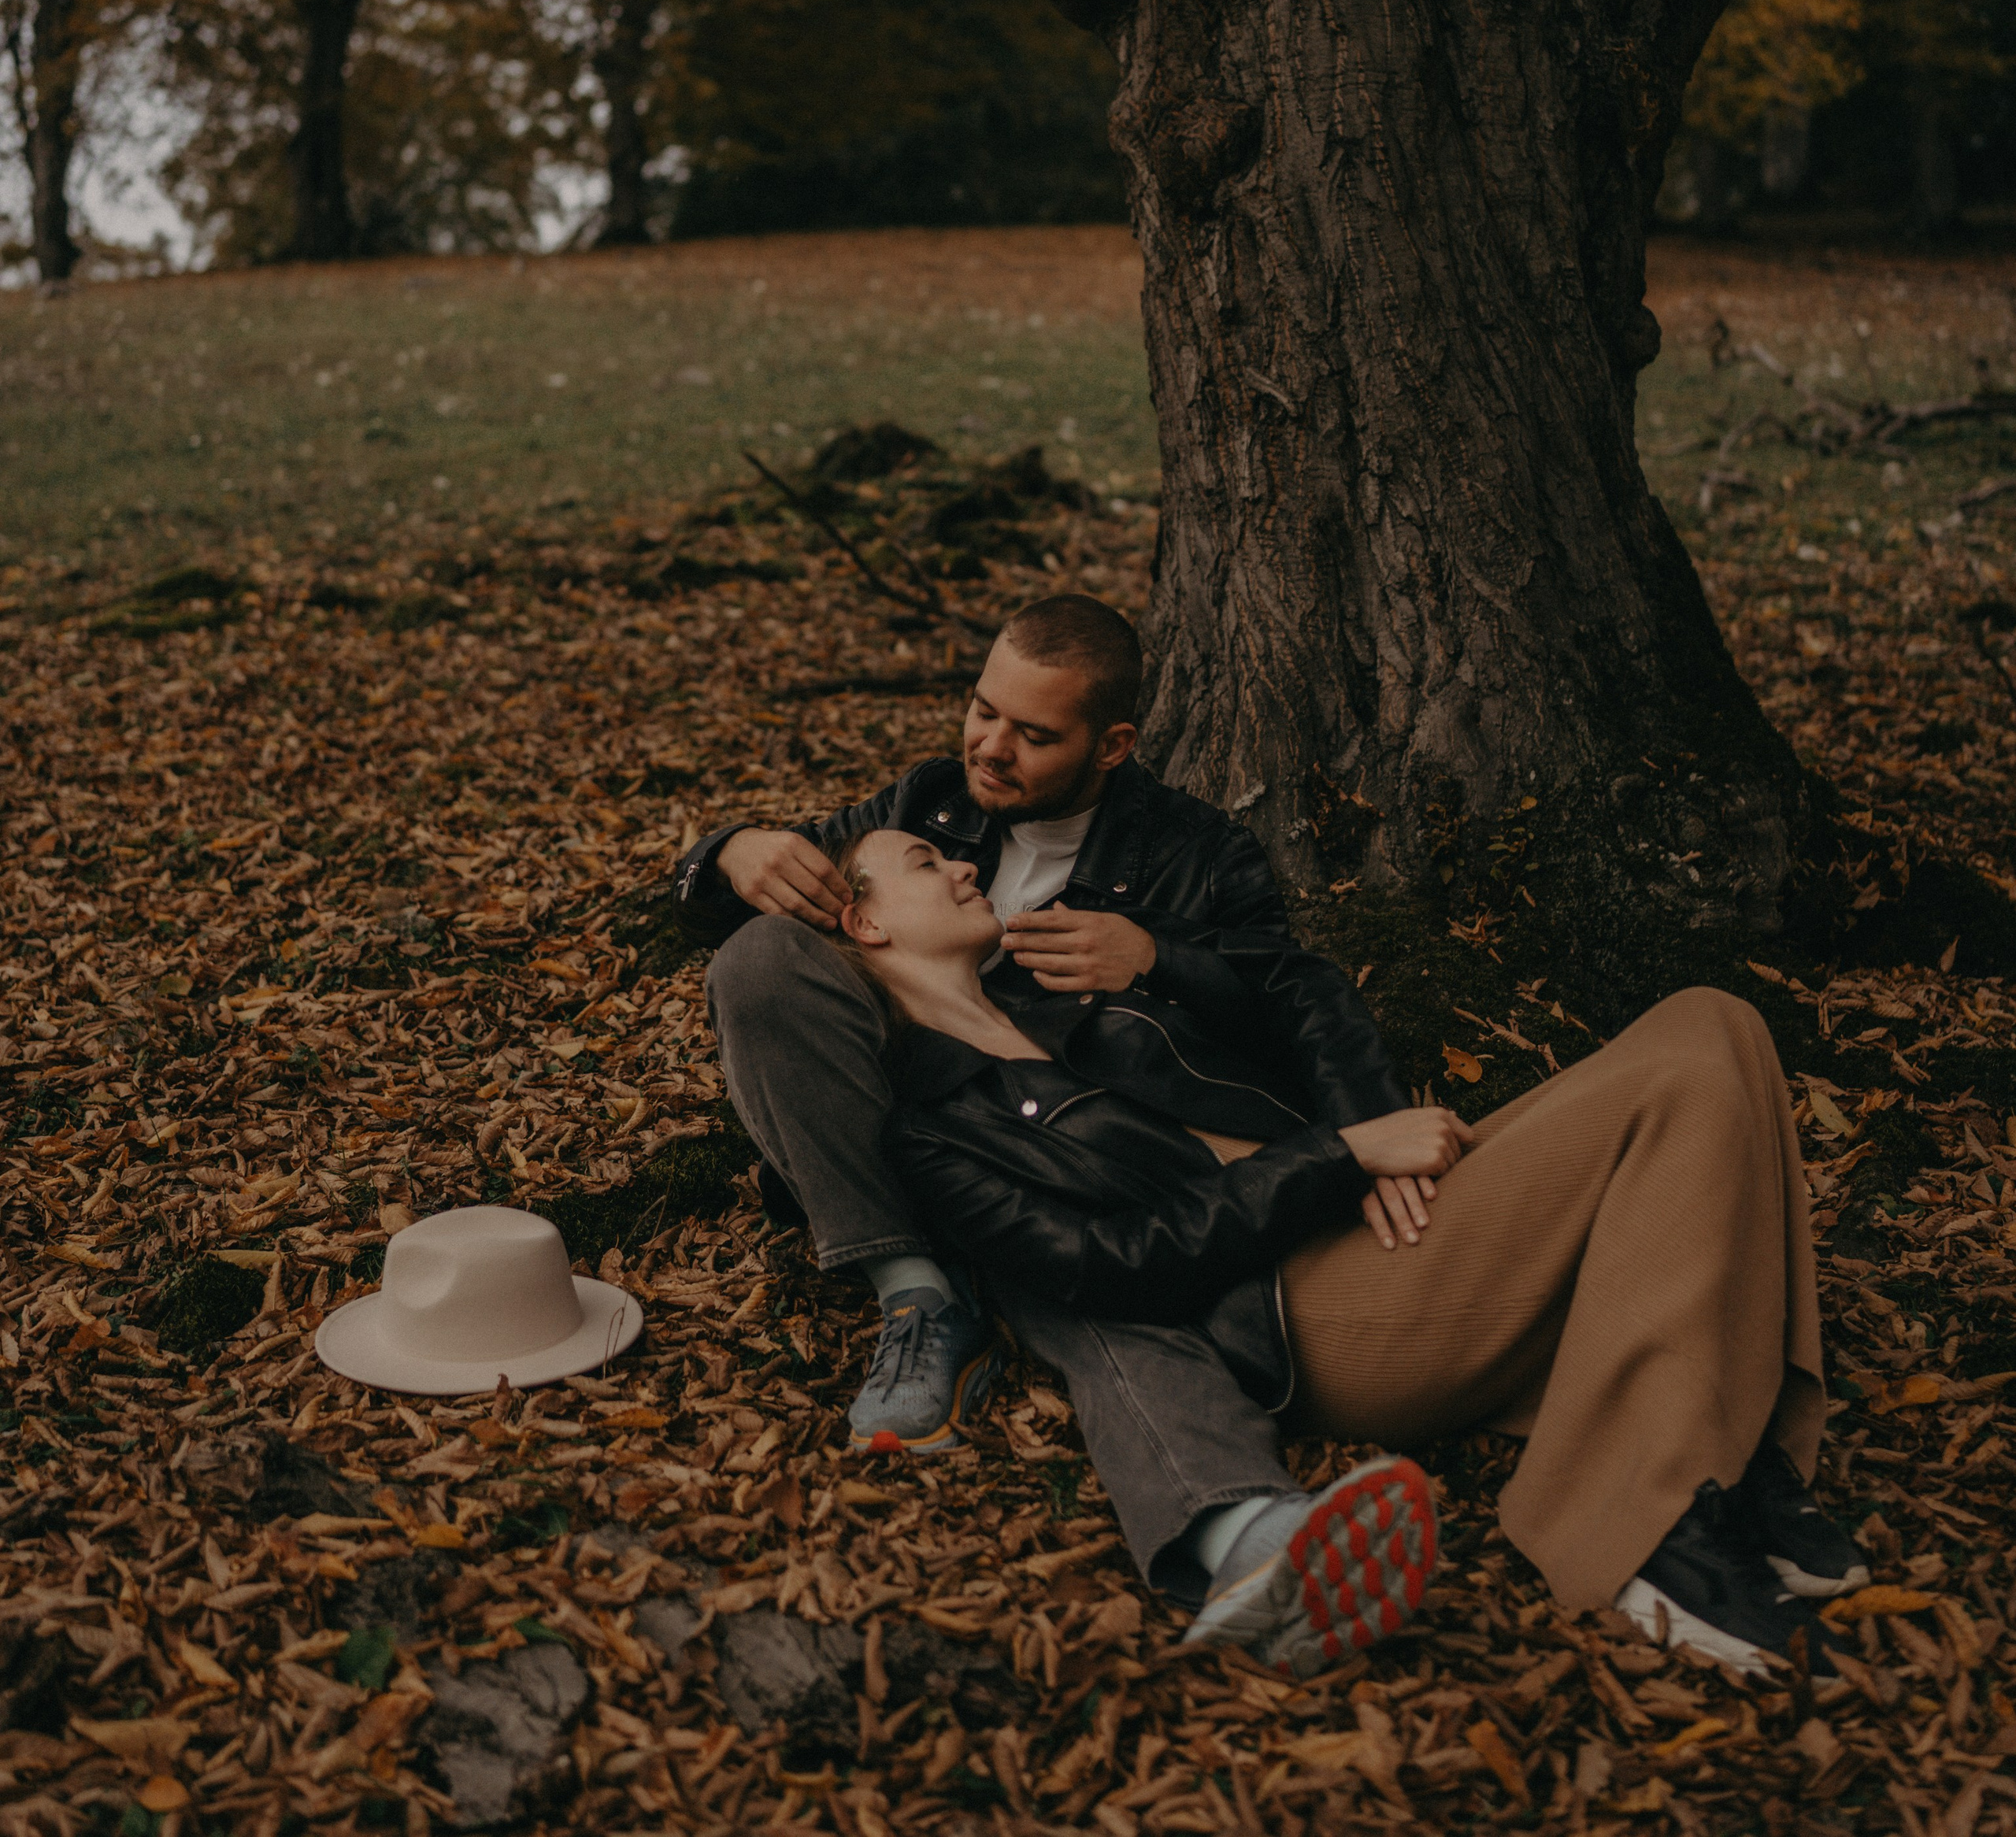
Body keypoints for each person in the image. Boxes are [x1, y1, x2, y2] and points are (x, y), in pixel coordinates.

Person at [825, 822, 1869, 1682]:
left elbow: (1291, 997)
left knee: (1716, 1022)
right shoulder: (936, 1128)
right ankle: (1658, 1533)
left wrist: (1163, 961)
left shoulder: (1055, 997)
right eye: (925, 861)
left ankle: (1739, 1446)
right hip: (1304, 1302)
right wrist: (1338, 1155)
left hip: (1361, 1211)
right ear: (866, 920)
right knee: (1684, 1077)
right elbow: (1112, 1263)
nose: (963, 864)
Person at [684, 592, 1407, 1461]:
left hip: (1078, 1179)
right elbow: (774, 891)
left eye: (1032, 734)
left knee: (1104, 1305)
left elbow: (1292, 1001)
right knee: (758, 955)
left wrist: (1157, 956)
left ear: (1112, 746)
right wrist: (728, 851)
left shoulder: (1197, 854)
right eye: (983, 709)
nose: (991, 746)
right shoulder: (928, 805)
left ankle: (1237, 1518)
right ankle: (914, 1289)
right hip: (912, 1150)